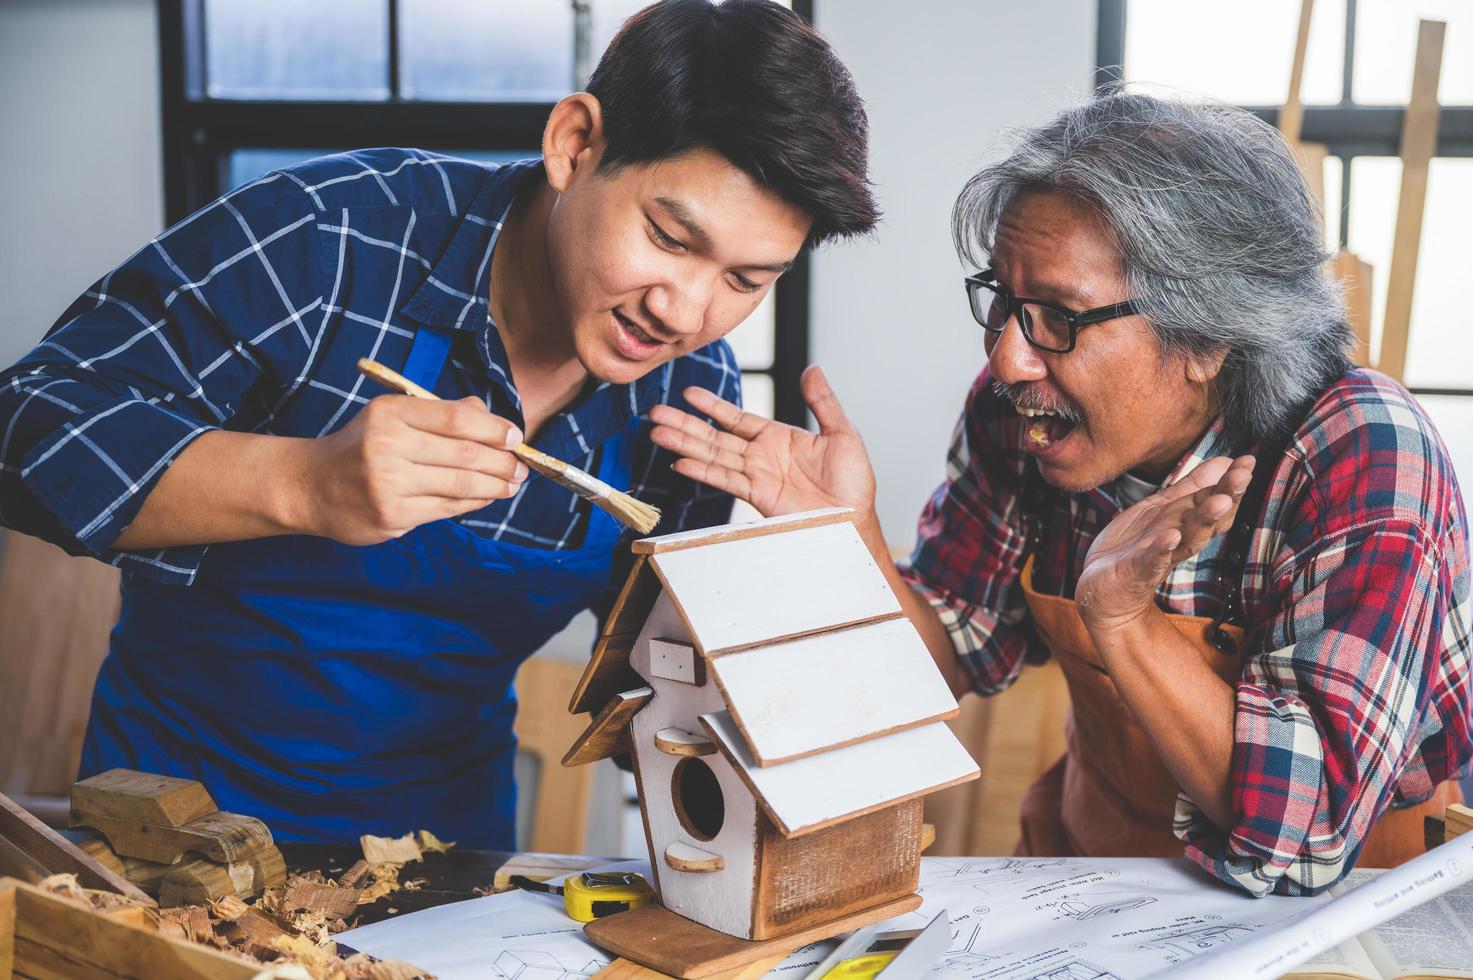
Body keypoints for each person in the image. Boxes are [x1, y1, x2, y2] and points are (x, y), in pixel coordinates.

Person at [0, 0, 876, 847]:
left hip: (444, 853)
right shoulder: (329, 239)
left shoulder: (687, 399)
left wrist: (806, 569)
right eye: (670, 239)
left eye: (744, 281)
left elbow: (661, 693)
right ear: (574, 144)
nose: (684, 312)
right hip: (174, 825)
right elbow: (25, 429)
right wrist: (304, 484)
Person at [649, 89, 1472, 896]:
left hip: (1349, 906)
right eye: (1003, 304)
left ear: (1208, 336)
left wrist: (1123, 619)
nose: (1009, 359)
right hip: (1088, 873)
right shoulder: (1021, 418)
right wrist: (848, 537)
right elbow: (938, 669)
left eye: (1057, 317)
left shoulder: (1362, 457)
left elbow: (1309, 831)